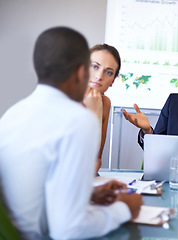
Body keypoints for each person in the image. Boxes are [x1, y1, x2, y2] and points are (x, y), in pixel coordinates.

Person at [0, 27, 143, 239]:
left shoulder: (12, 114)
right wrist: (125, 208)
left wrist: (88, 193)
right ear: (81, 71)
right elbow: (68, 230)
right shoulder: (76, 119)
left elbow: (40, 181)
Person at [83, 44, 121, 173]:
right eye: (95, 67)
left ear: (113, 81)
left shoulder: (105, 103)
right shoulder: (64, 99)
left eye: (109, 72)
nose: (99, 76)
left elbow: (97, 158)